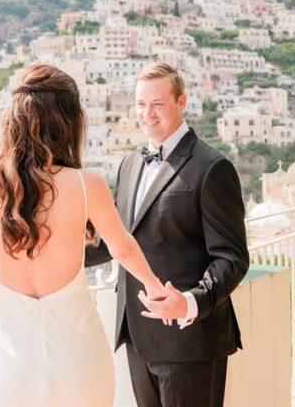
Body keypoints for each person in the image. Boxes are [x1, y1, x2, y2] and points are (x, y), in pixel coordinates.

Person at [0, 64, 167, 407]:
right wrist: (157, 290)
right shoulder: (85, 184)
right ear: (70, 122)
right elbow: (122, 248)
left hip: (9, 369)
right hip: (82, 363)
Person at [86, 62, 250, 407]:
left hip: (190, 339)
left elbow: (232, 258)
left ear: (182, 102)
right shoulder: (129, 164)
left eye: (158, 104)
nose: (148, 114)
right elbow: (114, 239)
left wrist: (191, 302)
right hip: (137, 338)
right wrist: (48, 251)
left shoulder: (212, 167)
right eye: (141, 105)